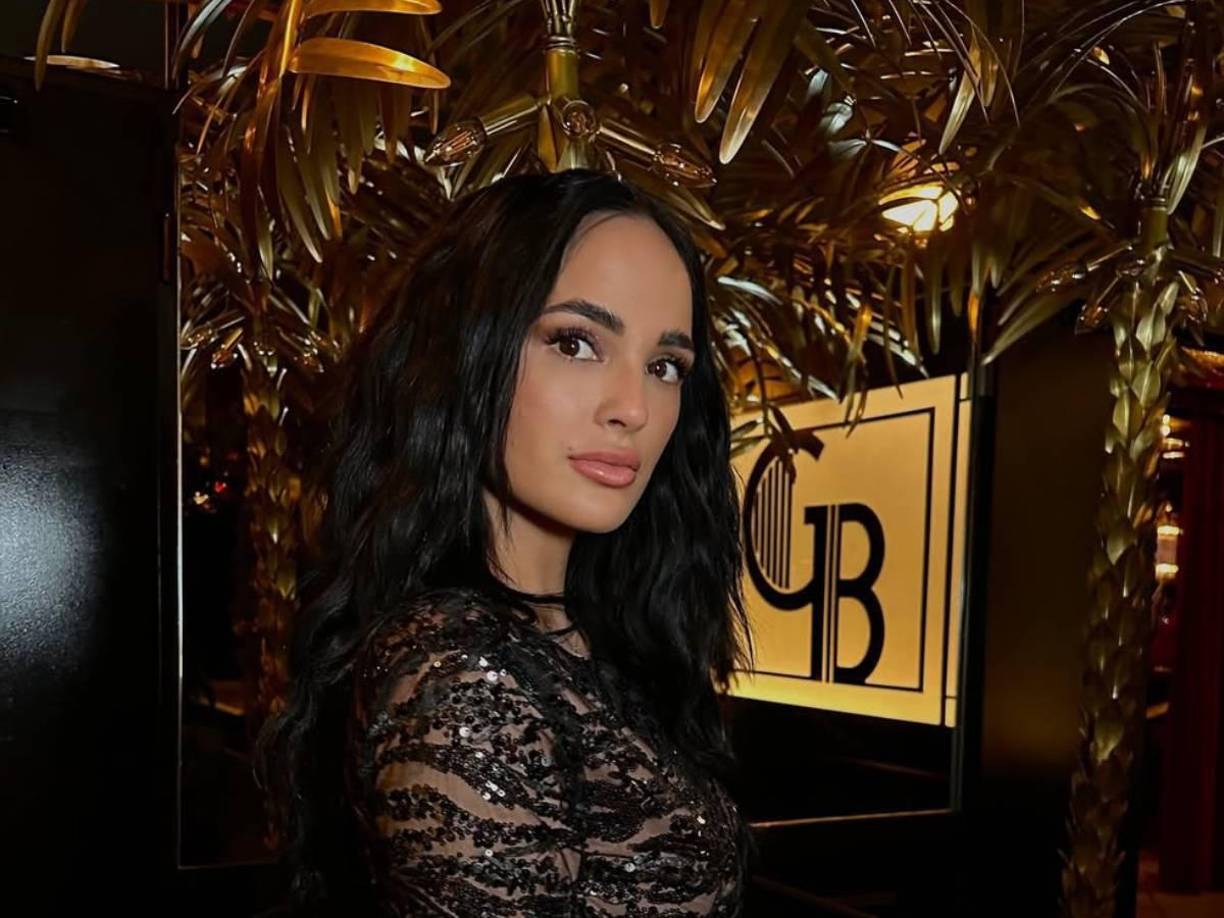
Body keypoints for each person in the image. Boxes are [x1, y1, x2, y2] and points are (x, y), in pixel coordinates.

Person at [255, 167, 758, 917]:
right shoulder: (464, 676)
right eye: (576, 342)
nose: (634, 407)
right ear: (468, 353)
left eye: (664, 366)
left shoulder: (592, 640)